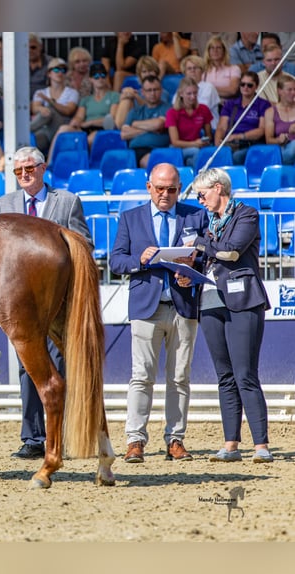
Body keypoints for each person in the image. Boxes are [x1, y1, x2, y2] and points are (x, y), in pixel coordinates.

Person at [0, 146, 92, 460]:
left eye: (30, 169)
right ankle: (33, 437)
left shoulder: (67, 201)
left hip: (58, 301)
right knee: (27, 369)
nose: (25, 175)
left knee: (58, 365)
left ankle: (58, 434)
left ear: (42, 168)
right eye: (19, 171)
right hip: (21, 305)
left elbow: (84, 245)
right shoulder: (5, 204)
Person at [109, 163, 209, 463]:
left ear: (180, 188)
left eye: (172, 189)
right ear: (148, 186)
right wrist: (139, 261)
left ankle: (175, 439)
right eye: (160, 188)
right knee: (141, 377)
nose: (166, 194)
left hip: (183, 306)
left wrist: (192, 271)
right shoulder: (130, 218)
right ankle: (135, 440)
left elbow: (206, 257)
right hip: (145, 307)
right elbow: (116, 261)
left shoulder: (195, 215)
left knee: (180, 377)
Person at [185, 168, 273, 463]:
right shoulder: (205, 222)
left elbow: (231, 253)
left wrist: (199, 243)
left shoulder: (246, 215)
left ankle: (261, 445)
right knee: (225, 377)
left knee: (245, 373)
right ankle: (231, 444)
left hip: (243, 299)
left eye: (202, 194)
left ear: (219, 188)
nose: (200, 200)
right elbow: (208, 256)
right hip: (210, 300)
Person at [52, 61, 118, 153]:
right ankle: (50, 161)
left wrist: (90, 122)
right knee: (63, 129)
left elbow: (111, 118)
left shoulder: (114, 96)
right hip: (86, 129)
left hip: (103, 129)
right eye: (96, 76)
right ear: (91, 79)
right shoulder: (86, 99)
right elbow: (79, 116)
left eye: (103, 75)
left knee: (90, 139)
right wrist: (75, 122)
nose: (100, 79)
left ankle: (83, 162)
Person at [215, 70, 269, 165]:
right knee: (214, 154)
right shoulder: (230, 104)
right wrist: (218, 144)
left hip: (252, 144)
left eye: (249, 85)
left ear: (256, 86)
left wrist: (239, 136)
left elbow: (262, 130)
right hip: (231, 144)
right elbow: (221, 127)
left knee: (237, 156)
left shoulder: (263, 104)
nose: (245, 87)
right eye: (242, 84)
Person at [30, 57, 79, 156]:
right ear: (49, 73)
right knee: (34, 142)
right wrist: (41, 108)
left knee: (50, 111)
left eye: (63, 70)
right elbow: (35, 108)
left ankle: (25, 129)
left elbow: (68, 111)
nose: (59, 73)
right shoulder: (41, 92)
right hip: (44, 130)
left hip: (61, 127)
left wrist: (50, 101)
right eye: (56, 70)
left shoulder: (72, 92)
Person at [120, 75, 171, 168]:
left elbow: (159, 124)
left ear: (161, 90)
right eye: (149, 90)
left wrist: (135, 124)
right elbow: (124, 134)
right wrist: (150, 128)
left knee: (147, 162)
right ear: (142, 92)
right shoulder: (135, 111)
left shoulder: (168, 109)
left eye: (156, 89)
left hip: (158, 151)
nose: (152, 93)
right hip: (134, 150)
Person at [165, 77, 213, 167]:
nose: (193, 97)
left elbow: (209, 135)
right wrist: (195, 144)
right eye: (189, 94)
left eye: (195, 93)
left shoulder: (203, 109)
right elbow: (175, 142)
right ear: (181, 94)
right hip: (179, 148)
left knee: (206, 152)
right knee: (196, 152)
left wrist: (205, 140)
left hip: (197, 145)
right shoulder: (172, 112)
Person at [113, 55, 164, 129]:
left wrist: (135, 96)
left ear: (156, 72)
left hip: (148, 119)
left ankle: (115, 127)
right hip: (132, 119)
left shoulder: (159, 90)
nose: (147, 74)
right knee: (126, 98)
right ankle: (115, 125)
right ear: (140, 75)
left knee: (129, 97)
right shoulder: (138, 91)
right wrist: (124, 96)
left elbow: (152, 106)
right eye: (144, 72)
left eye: (150, 71)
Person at [177, 55, 221, 130]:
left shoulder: (208, 87)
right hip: (187, 128)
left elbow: (200, 110)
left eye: (196, 68)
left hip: (206, 128)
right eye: (189, 68)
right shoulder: (181, 87)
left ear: (202, 71)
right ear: (185, 72)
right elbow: (176, 108)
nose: (192, 70)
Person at [263, 75, 295, 165]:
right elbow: (268, 140)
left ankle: (279, 169)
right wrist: (279, 140)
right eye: (289, 90)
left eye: (294, 89)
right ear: (279, 91)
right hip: (281, 148)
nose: (293, 93)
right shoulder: (270, 112)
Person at [202, 35, 241, 103]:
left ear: (224, 50)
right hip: (208, 105)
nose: (215, 51)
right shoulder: (204, 71)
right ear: (208, 51)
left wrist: (210, 89)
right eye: (212, 48)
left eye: (218, 48)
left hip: (228, 105)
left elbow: (232, 90)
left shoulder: (234, 69)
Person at [28, 34, 54, 98]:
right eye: (26, 47)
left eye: (33, 47)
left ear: (41, 47)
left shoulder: (51, 63)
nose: (29, 50)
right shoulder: (17, 64)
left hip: (44, 102)